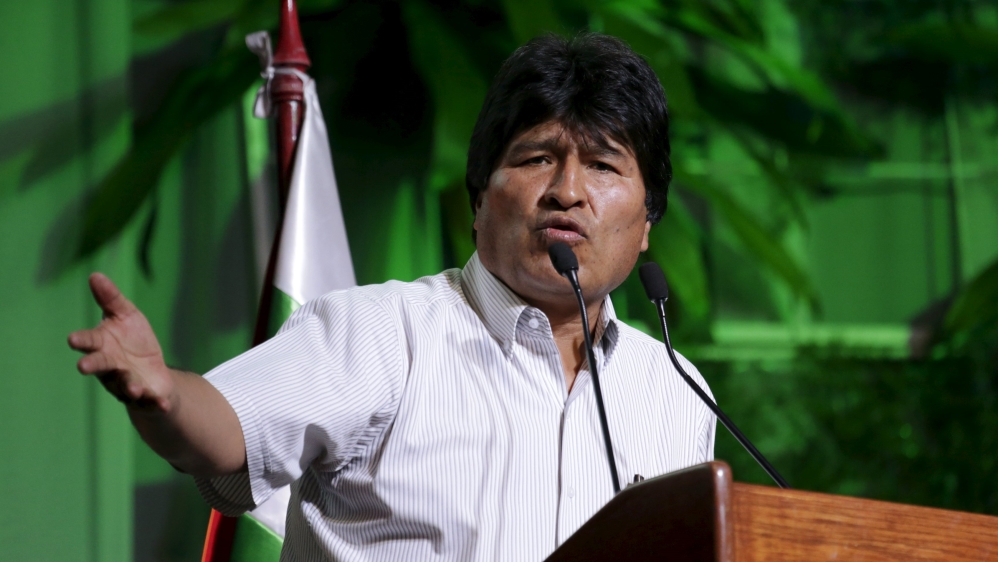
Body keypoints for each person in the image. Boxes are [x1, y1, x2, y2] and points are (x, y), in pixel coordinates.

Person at [68, 33, 715, 561]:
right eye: (536, 159)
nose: (567, 191)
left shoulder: (676, 392)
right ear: (479, 201)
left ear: (647, 222)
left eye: (602, 165)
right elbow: (233, 428)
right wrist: (167, 394)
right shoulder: (379, 333)